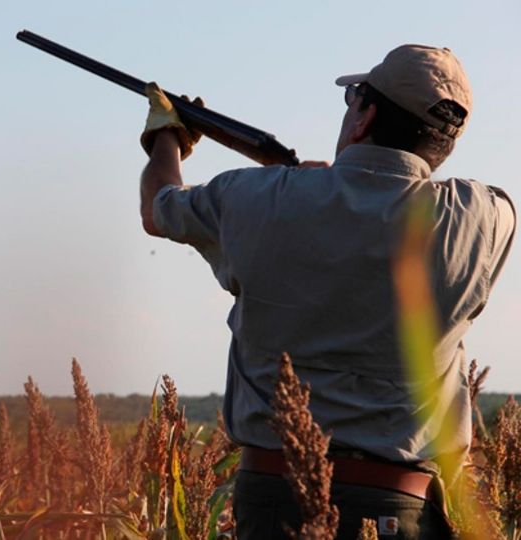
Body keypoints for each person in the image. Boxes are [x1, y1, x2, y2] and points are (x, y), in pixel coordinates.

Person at [139, 44, 515, 539]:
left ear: (366, 117)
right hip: (398, 508)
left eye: (353, 99)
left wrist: (166, 137)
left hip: (273, 500)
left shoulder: (253, 197)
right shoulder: (484, 218)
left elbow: (159, 206)